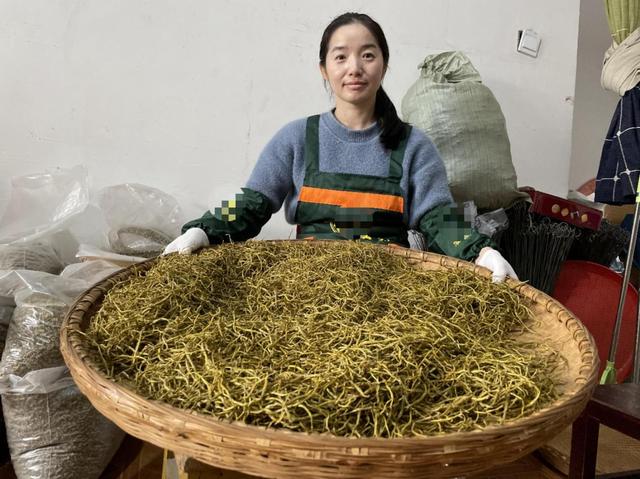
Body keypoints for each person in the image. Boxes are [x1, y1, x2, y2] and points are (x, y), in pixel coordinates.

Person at [164, 12, 517, 283]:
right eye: (340, 57)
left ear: (384, 65)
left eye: (367, 55)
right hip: (306, 285)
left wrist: (480, 251)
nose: (354, 68)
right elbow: (252, 202)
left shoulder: (414, 146)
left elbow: (438, 218)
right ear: (323, 69)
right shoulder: (297, 137)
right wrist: (204, 229)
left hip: (391, 290)